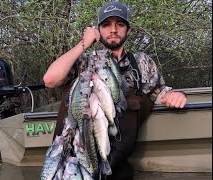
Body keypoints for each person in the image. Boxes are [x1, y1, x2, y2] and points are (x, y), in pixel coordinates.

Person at [43, 1, 187, 180]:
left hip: (118, 165)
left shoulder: (141, 63)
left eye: (119, 24)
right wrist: (83, 44)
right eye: (106, 25)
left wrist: (175, 96)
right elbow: (50, 79)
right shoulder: (82, 62)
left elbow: (160, 93)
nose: (113, 30)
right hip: (77, 164)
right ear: (98, 30)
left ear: (128, 30)